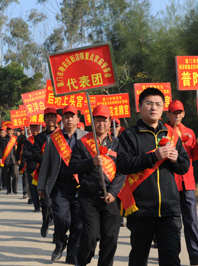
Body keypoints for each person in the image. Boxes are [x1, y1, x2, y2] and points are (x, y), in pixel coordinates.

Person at [117, 87, 190, 266]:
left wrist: (175, 160)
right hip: (141, 210)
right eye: (149, 104)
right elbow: (124, 165)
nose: (153, 108)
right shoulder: (129, 135)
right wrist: (154, 157)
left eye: (158, 104)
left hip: (169, 210)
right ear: (140, 106)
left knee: (171, 259)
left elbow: (184, 166)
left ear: (163, 108)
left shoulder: (171, 134)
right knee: (139, 258)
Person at [70, 104, 125, 266]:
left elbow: (122, 171)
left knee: (110, 239)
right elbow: (72, 166)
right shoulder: (82, 143)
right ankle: (82, 261)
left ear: (110, 122)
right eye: (98, 120)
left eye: (104, 120)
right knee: (90, 236)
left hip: (111, 199)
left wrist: (113, 192)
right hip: (89, 198)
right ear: (92, 122)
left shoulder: (117, 144)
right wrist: (91, 162)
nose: (101, 123)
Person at [37, 105, 87, 264]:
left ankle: (72, 255)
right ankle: (60, 243)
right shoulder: (53, 138)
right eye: (66, 117)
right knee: (61, 219)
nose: (69, 119)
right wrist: (41, 186)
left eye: (72, 116)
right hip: (60, 185)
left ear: (78, 119)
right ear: (62, 120)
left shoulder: (86, 137)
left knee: (78, 224)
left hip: (81, 186)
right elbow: (46, 164)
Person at [164, 100, 198, 265]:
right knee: (172, 222)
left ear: (183, 114)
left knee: (191, 220)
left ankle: (195, 254)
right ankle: (171, 255)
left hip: (188, 183)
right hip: (170, 183)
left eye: (180, 112)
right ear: (168, 113)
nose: (177, 115)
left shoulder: (189, 132)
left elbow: (194, 156)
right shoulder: (163, 131)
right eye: (174, 112)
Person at [32, 107, 58, 238]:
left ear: (56, 118)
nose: (50, 119)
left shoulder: (61, 136)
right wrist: (47, 160)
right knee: (46, 203)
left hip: (59, 174)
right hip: (45, 173)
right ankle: (45, 222)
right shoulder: (40, 137)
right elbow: (35, 153)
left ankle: (57, 234)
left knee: (58, 204)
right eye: (47, 117)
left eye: (52, 116)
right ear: (44, 120)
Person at [21, 123, 41, 212]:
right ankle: (36, 206)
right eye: (32, 128)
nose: (34, 130)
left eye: (35, 127)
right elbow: (24, 154)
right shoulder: (27, 141)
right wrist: (35, 155)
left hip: (41, 167)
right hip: (31, 168)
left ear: (38, 128)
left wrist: (33, 155)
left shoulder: (42, 138)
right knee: (33, 188)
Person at [0, 126, 18, 195]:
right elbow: (0, 150)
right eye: (8, 130)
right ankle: (8, 190)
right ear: (7, 132)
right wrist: (0, 158)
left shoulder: (15, 139)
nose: (9, 132)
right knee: (7, 175)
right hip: (6, 160)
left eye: (11, 130)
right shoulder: (3, 140)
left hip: (14, 159)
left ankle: (15, 189)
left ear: (13, 131)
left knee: (15, 175)